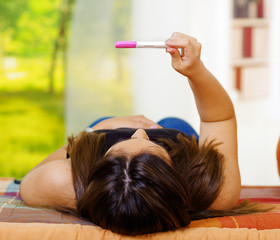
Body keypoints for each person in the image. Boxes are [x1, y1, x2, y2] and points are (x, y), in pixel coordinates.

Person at [19, 33, 265, 236]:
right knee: (173, 124)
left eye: (126, 142)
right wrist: (196, 71)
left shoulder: (61, 182)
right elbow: (218, 118)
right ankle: (164, 137)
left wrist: (102, 127)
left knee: (101, 131)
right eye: (150, 145)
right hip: (177, 141)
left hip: (98, 140)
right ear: (175, 178)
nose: (139, 132)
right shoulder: (215, 191)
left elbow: (31, 177)